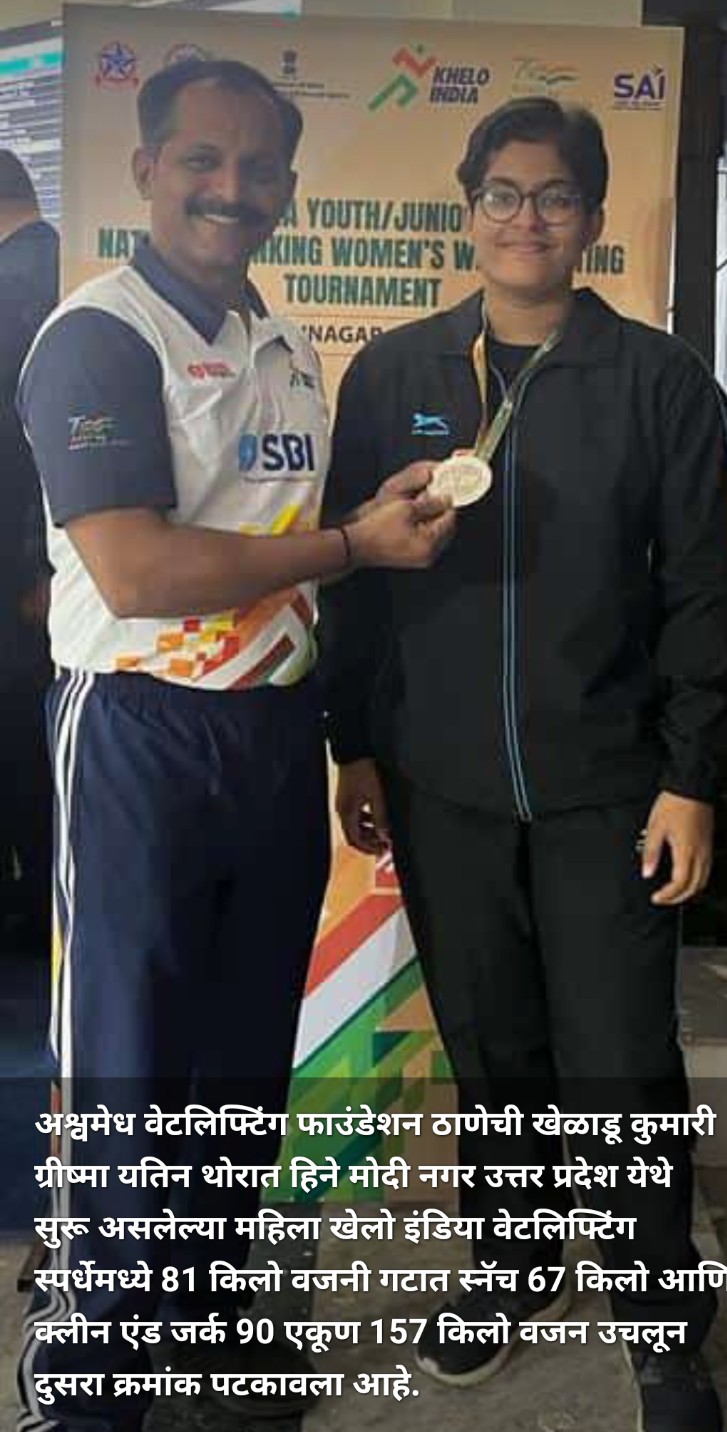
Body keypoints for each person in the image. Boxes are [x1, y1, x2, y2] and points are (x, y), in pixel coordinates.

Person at [16, 57, 453, 1432]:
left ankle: (202, 1320)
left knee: (241, 1062)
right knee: (130, 1067)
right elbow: (137, 568)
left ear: (286, 187)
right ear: (145, 169)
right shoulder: (98, 336)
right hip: (137, 731)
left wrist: (366, 525)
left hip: (270, 730)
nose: (232, 188)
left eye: (260, 166)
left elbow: (281, 544)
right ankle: (91, 1375)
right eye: (203, 159)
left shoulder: (285, 342)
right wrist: (351, 545)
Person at [318, 97, 727, 1432]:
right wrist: (354, 742)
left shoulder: (657, 382)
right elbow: (353, 581)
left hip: (607, 789)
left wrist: (689, 776)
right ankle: (509, 1262)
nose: (526, 218)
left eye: (554, 195)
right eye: (501, 193)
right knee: (491, 1043)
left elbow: (707, 591)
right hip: (441, 789)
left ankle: (656, 1315)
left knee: (619, 1056)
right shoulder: (393, 372)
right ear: (467, 209)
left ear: (591, 218)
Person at [0, 150, 58, 958]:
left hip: (23, 578)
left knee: (21, 750)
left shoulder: (17, 289)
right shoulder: (73, 268)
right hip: (52, 569)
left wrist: (31, 567)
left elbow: (22, 451)